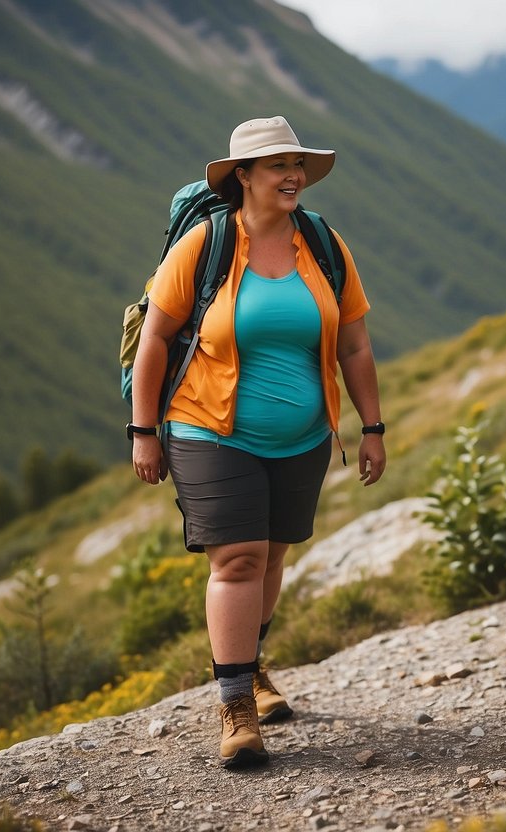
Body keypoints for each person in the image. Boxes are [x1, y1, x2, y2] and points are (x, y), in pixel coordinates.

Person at [129, 116, 386, 768]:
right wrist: (142, 432)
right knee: (238, 559)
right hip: (208, 427)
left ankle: (248, 664)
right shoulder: (207, 244)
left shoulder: (323, 243)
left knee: (271, 559)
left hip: (302, 437)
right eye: (276, 165)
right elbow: (155, 338)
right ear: (242, 176)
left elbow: (353, 343)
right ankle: (236, 707)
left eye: (296, 163)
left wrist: (371, 426)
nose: (292, 174)